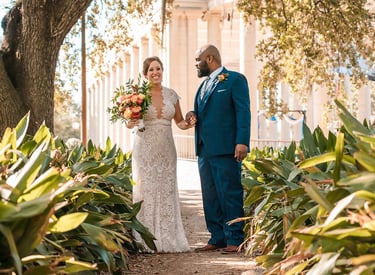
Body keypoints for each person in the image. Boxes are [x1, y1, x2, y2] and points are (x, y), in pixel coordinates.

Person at [126, 56, 195, 253]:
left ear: (162, 71)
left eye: (158, 69)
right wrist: (129, 122)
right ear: (145, 74)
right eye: (151, 70)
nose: (155, 72)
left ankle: (168, 239)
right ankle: (146, 239)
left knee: (166, 189)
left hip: (166, 149)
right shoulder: (136, 96)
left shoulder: (172, 95)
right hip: (144, 148)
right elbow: (128, 120)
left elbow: (180, 123)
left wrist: (189, 122)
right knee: (145, 190)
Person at [186, 44, 251, 254]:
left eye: (198, 61)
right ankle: (217, 237)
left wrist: (242, 141)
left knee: (229, 193)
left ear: (210, 58)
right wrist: (191, 114)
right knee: (210, 196)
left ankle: (235, 239)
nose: (196, 65)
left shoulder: (234, 80)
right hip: (204, 150)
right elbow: (202, 112)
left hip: (226, 149)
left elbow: (243, 111)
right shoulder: (203, 85)